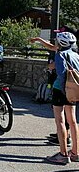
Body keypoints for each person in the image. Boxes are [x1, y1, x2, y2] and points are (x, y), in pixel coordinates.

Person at [31, 32, 79, 164]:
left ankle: (63, 154)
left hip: (60, 90)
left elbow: (61, 74)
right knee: (73, 122)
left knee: (60, 121)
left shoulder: (60, 55)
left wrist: (63, 91)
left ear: (61, 43)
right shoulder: (76, 55)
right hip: (73, 90)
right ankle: (75, 152)